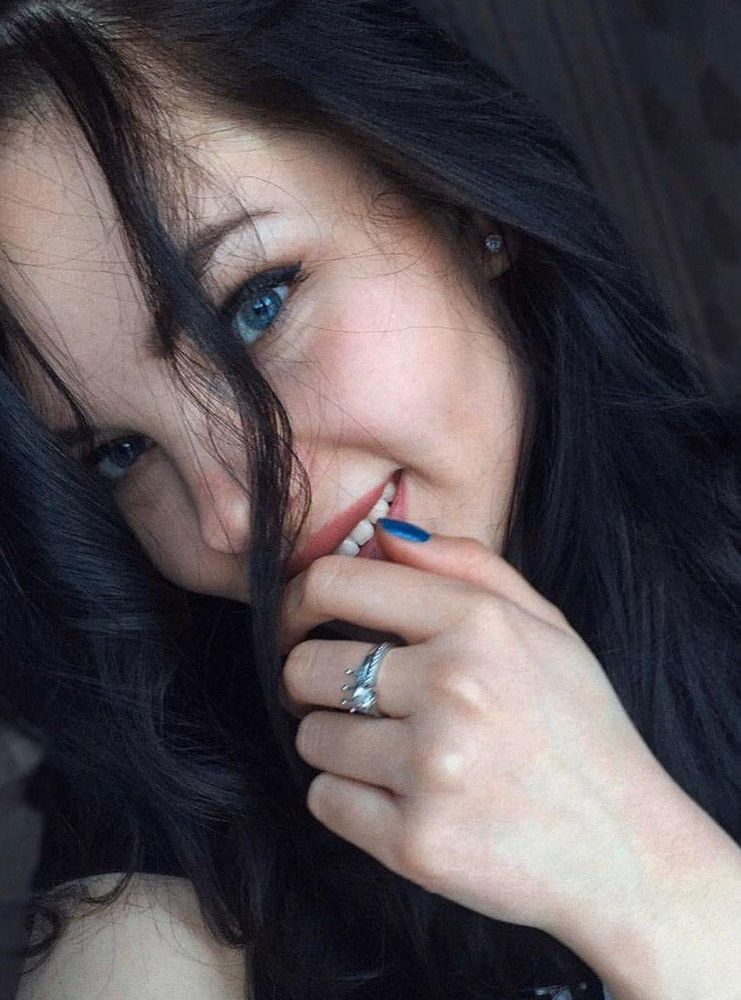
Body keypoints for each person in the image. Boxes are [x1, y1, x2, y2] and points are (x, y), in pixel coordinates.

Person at [0, 2, 738, 999]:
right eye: (119, 452)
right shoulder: (172, 775)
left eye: (256, 307)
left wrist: (646, 880)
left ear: (458, 198)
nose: (231, 516)